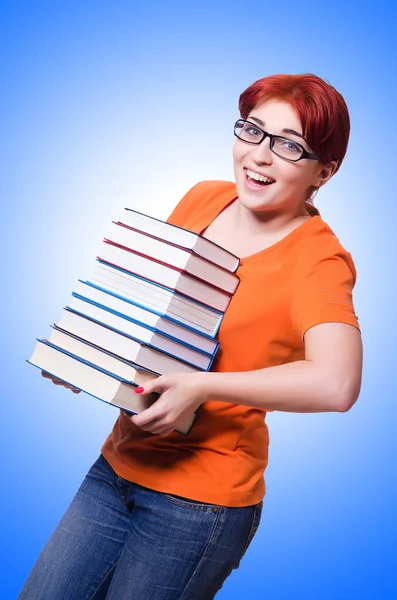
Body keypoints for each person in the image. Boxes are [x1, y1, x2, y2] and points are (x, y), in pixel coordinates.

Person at [19, 73, 363, 600]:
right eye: (252, 130)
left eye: (289, 145)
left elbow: (336, 383)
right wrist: (91, 358)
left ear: (325, 171)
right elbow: (158, 316)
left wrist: (202, 388)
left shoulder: (319, 262)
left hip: (200, 505)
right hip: (115, 467)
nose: (259, 156)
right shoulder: (204, 199)